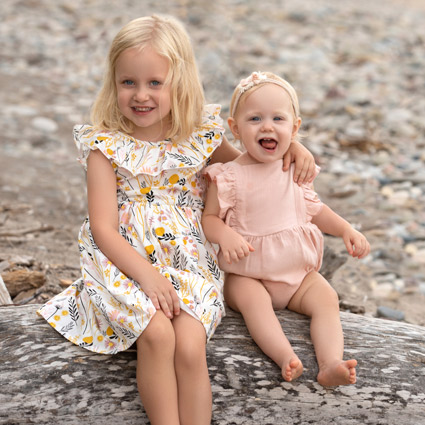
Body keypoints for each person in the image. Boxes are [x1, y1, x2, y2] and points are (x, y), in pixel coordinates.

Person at [37, 17, 316, 425]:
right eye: (128, 82)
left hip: (187, 259)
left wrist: (297, 147)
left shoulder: (197, 133)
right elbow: (102, 228)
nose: (140, 95)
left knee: (189, 344)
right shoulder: (105, 146)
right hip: (126, 261)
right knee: (157, 334)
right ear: (113, 82)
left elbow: (251, 162)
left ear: (179, 81)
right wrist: (148, 277)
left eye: (155, 83)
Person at [202, 71, 371, 387]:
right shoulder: (228, 175)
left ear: (294, 128)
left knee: (326, 299)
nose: (267, 126)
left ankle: (330, 362)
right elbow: (209, 219)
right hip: (250, 274)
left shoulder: (294, 168)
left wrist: (346, 229)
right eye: (255, 118)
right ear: (235, 128)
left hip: (298, 276)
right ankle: (284, 355)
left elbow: (316, 209)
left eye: (278, 118)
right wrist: (225, 235)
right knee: (255, 306)